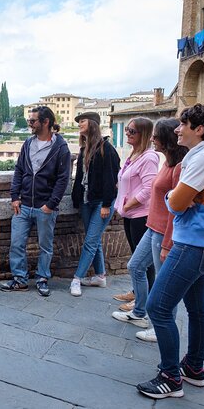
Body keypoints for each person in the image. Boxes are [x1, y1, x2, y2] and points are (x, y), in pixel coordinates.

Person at [137, 104, 204, 399]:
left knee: (157, 307)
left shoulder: (202, 159)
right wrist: (177, 198)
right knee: (197, 309)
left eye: (183, 124)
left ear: (198, 130)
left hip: (191, 245)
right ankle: (193, 368)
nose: (177, 128)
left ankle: (170, 377)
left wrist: (171, 196)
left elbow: (174, 204)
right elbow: (181, 200)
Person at [112, 118, 188, 341]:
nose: (153, 139)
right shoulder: (166, 163)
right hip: (152, 226)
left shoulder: (176, 168)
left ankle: (161, 327)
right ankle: (138, 312)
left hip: (163, 230)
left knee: (164, 281)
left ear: (166, 139)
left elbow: (177, 207)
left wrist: (168, 241)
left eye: (156, 136)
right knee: (135, 266)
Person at [0, 106, 71, 296]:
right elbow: (19, 171)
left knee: (45, 247)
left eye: (32, 121)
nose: (29, 124)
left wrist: (51, 204)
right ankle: (20, 279)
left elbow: (63, 179)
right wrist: (15, 197)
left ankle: (42, 278)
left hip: (45, 207)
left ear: (45, 122)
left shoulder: (61, 147)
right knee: (16, 243)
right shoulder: (28, 144)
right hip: (23, 206)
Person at [70, 112, 120, 297]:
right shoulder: (84, 149)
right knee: (95, 239)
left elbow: (112, 178)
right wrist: (76, 200)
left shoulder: (106, 149)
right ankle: (100, 276)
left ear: (92, 124)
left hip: (101, 203)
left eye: (82, 121)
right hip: (86, 202)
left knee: (90, 242)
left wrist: (107, 204)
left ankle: (76, 279)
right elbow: (80, 180)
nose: (79, 124)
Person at [111, 118, 159, 311]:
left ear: (144, 134)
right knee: (136, 256)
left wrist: (128, 204)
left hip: (141, 215)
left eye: (132, 131)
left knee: (143, 262)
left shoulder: (149, 157)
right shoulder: (134, 154)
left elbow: (149, 188)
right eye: (128, 130)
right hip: (130, 214)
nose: (128, 133)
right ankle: (137, 291)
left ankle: (143, 300)